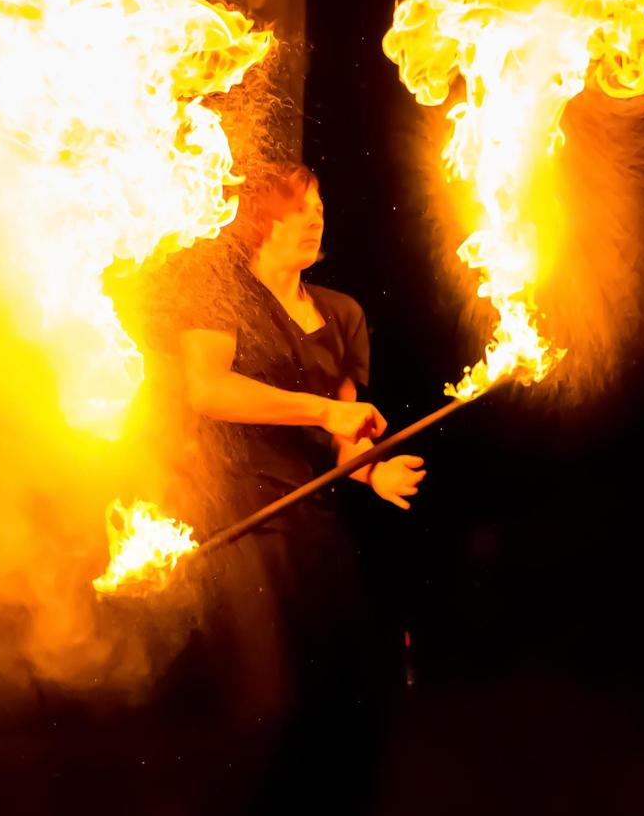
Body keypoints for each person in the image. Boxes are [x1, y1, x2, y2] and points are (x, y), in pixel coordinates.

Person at [177, 158, 426, 810]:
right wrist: (322, 411)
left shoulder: (343, 313)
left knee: (353, 702)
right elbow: (206, 389)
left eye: (320, 206)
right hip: (241, 515)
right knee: (271, 705)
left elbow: (348, 430)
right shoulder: (220, 295)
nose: (316, 218)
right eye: (298, 207)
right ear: (260, 218)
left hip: (313, 520)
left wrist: (371, 470)